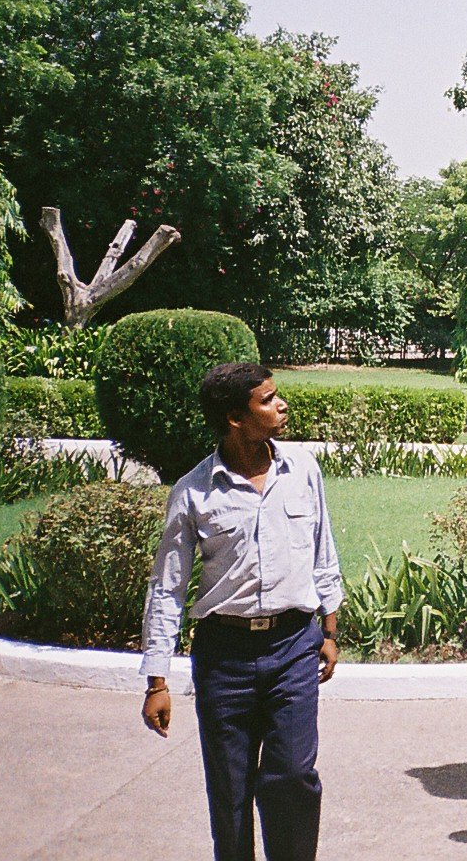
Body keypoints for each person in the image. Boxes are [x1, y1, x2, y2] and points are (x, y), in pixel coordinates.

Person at [139, 362, 342, 861]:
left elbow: (323, 553)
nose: (282, 405)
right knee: (229, 792)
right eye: (268, 400)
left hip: (294, 646)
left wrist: (330, 630)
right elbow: (166, 589)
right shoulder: (192, 493)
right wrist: (157, 681)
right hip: (224, 658)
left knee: (293, 775)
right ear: (235, 417)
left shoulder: (304, 472)